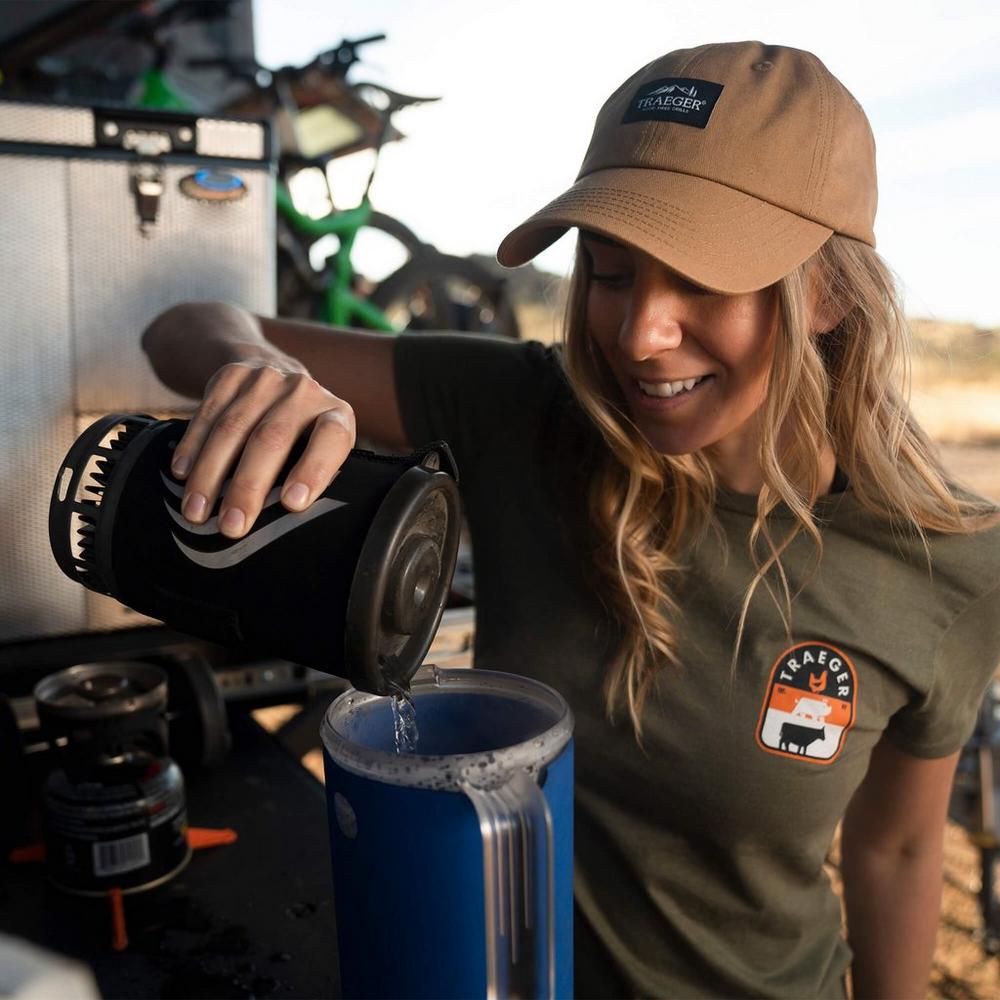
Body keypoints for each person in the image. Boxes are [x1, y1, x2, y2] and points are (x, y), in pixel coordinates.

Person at [142, 41, 1000, 999]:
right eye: (612, 270)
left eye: (704, 280)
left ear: (831, 292)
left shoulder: (948, 562)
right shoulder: (528, 414)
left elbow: (899, 845)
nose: (638, 336)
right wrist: (267, 376)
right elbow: (183, 328)